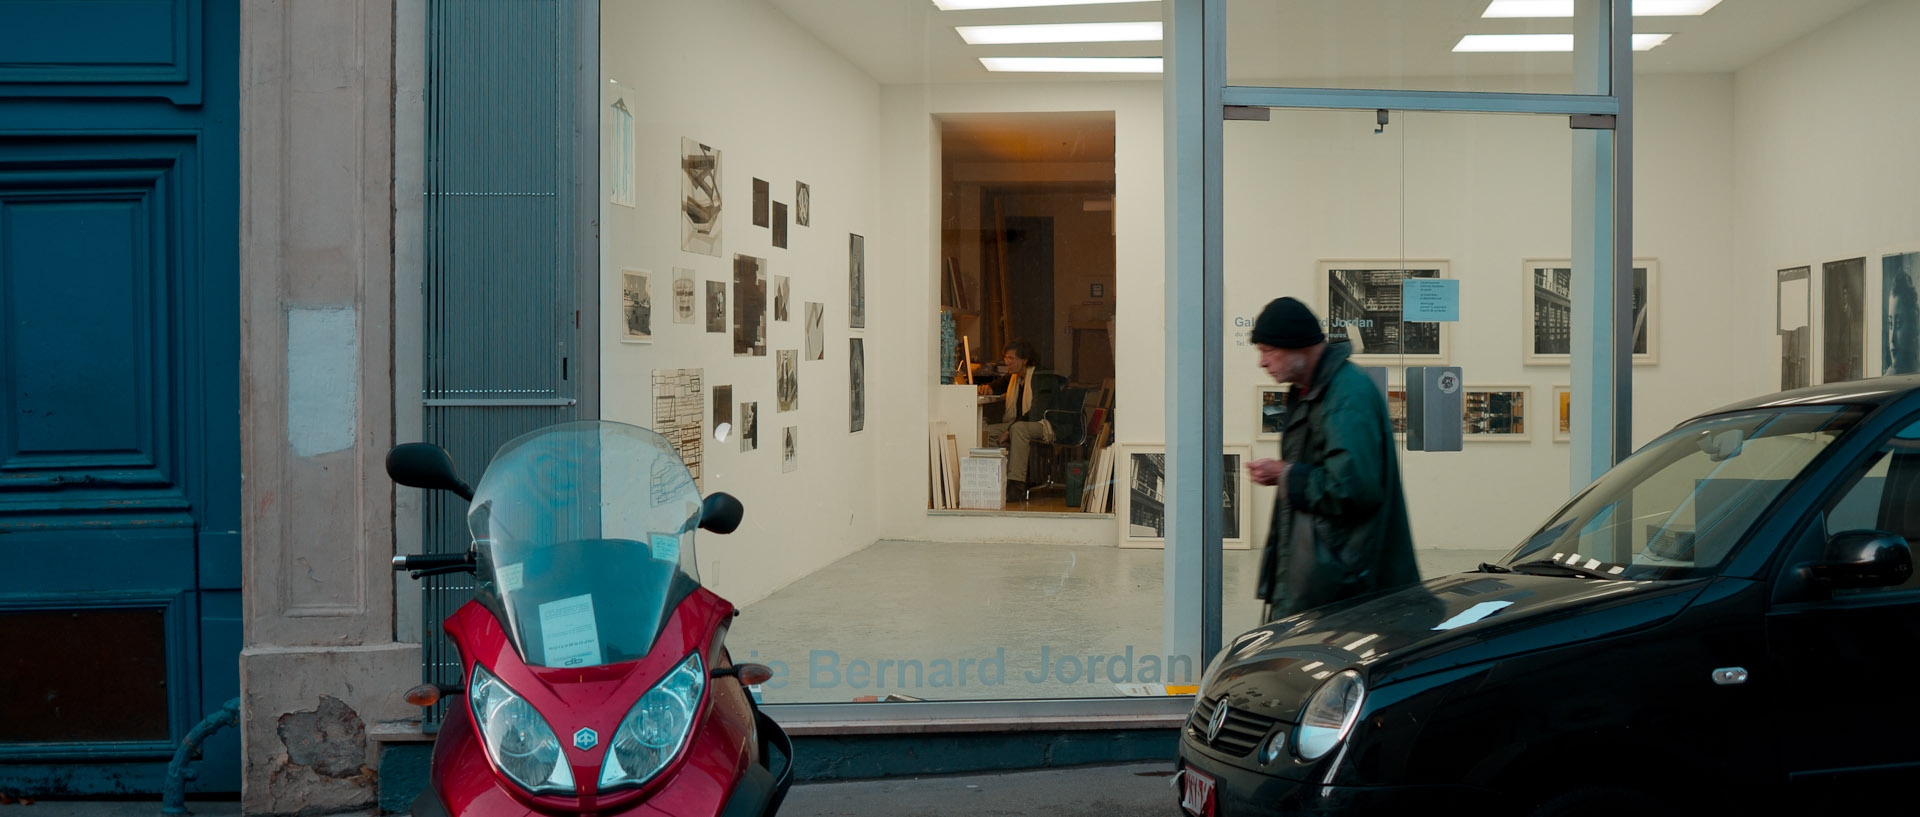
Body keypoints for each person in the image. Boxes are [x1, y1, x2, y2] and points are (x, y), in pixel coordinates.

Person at [1247, 297, 1419, 620]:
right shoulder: (1313, 389)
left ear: (1299, 346)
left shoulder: (1346, 394)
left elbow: (1352, 485)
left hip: (1344, 583)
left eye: (1269, 350)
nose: (1263, 362)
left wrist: (1285, 475)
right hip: (1326, 574)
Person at [979, 339, 1058, 501]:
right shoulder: (1014, 377)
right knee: (986, 432)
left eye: (1011, 358)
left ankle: (1016, 486)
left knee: (1018, 429)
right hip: (1019, 423)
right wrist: (989, 387)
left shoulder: (1040, 376)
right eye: (1006, 358)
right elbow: (999, 384)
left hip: (1045, 424)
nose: (1007, 362)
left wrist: (1009, 431)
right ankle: (996, 479)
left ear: (1025, 359)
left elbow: (1036, 413)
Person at [1886, 269, 1920, 375]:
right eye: (1890, 324)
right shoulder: (1887, 379)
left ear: (1913, 326)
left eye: (1899, 324)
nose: (1892, 339)